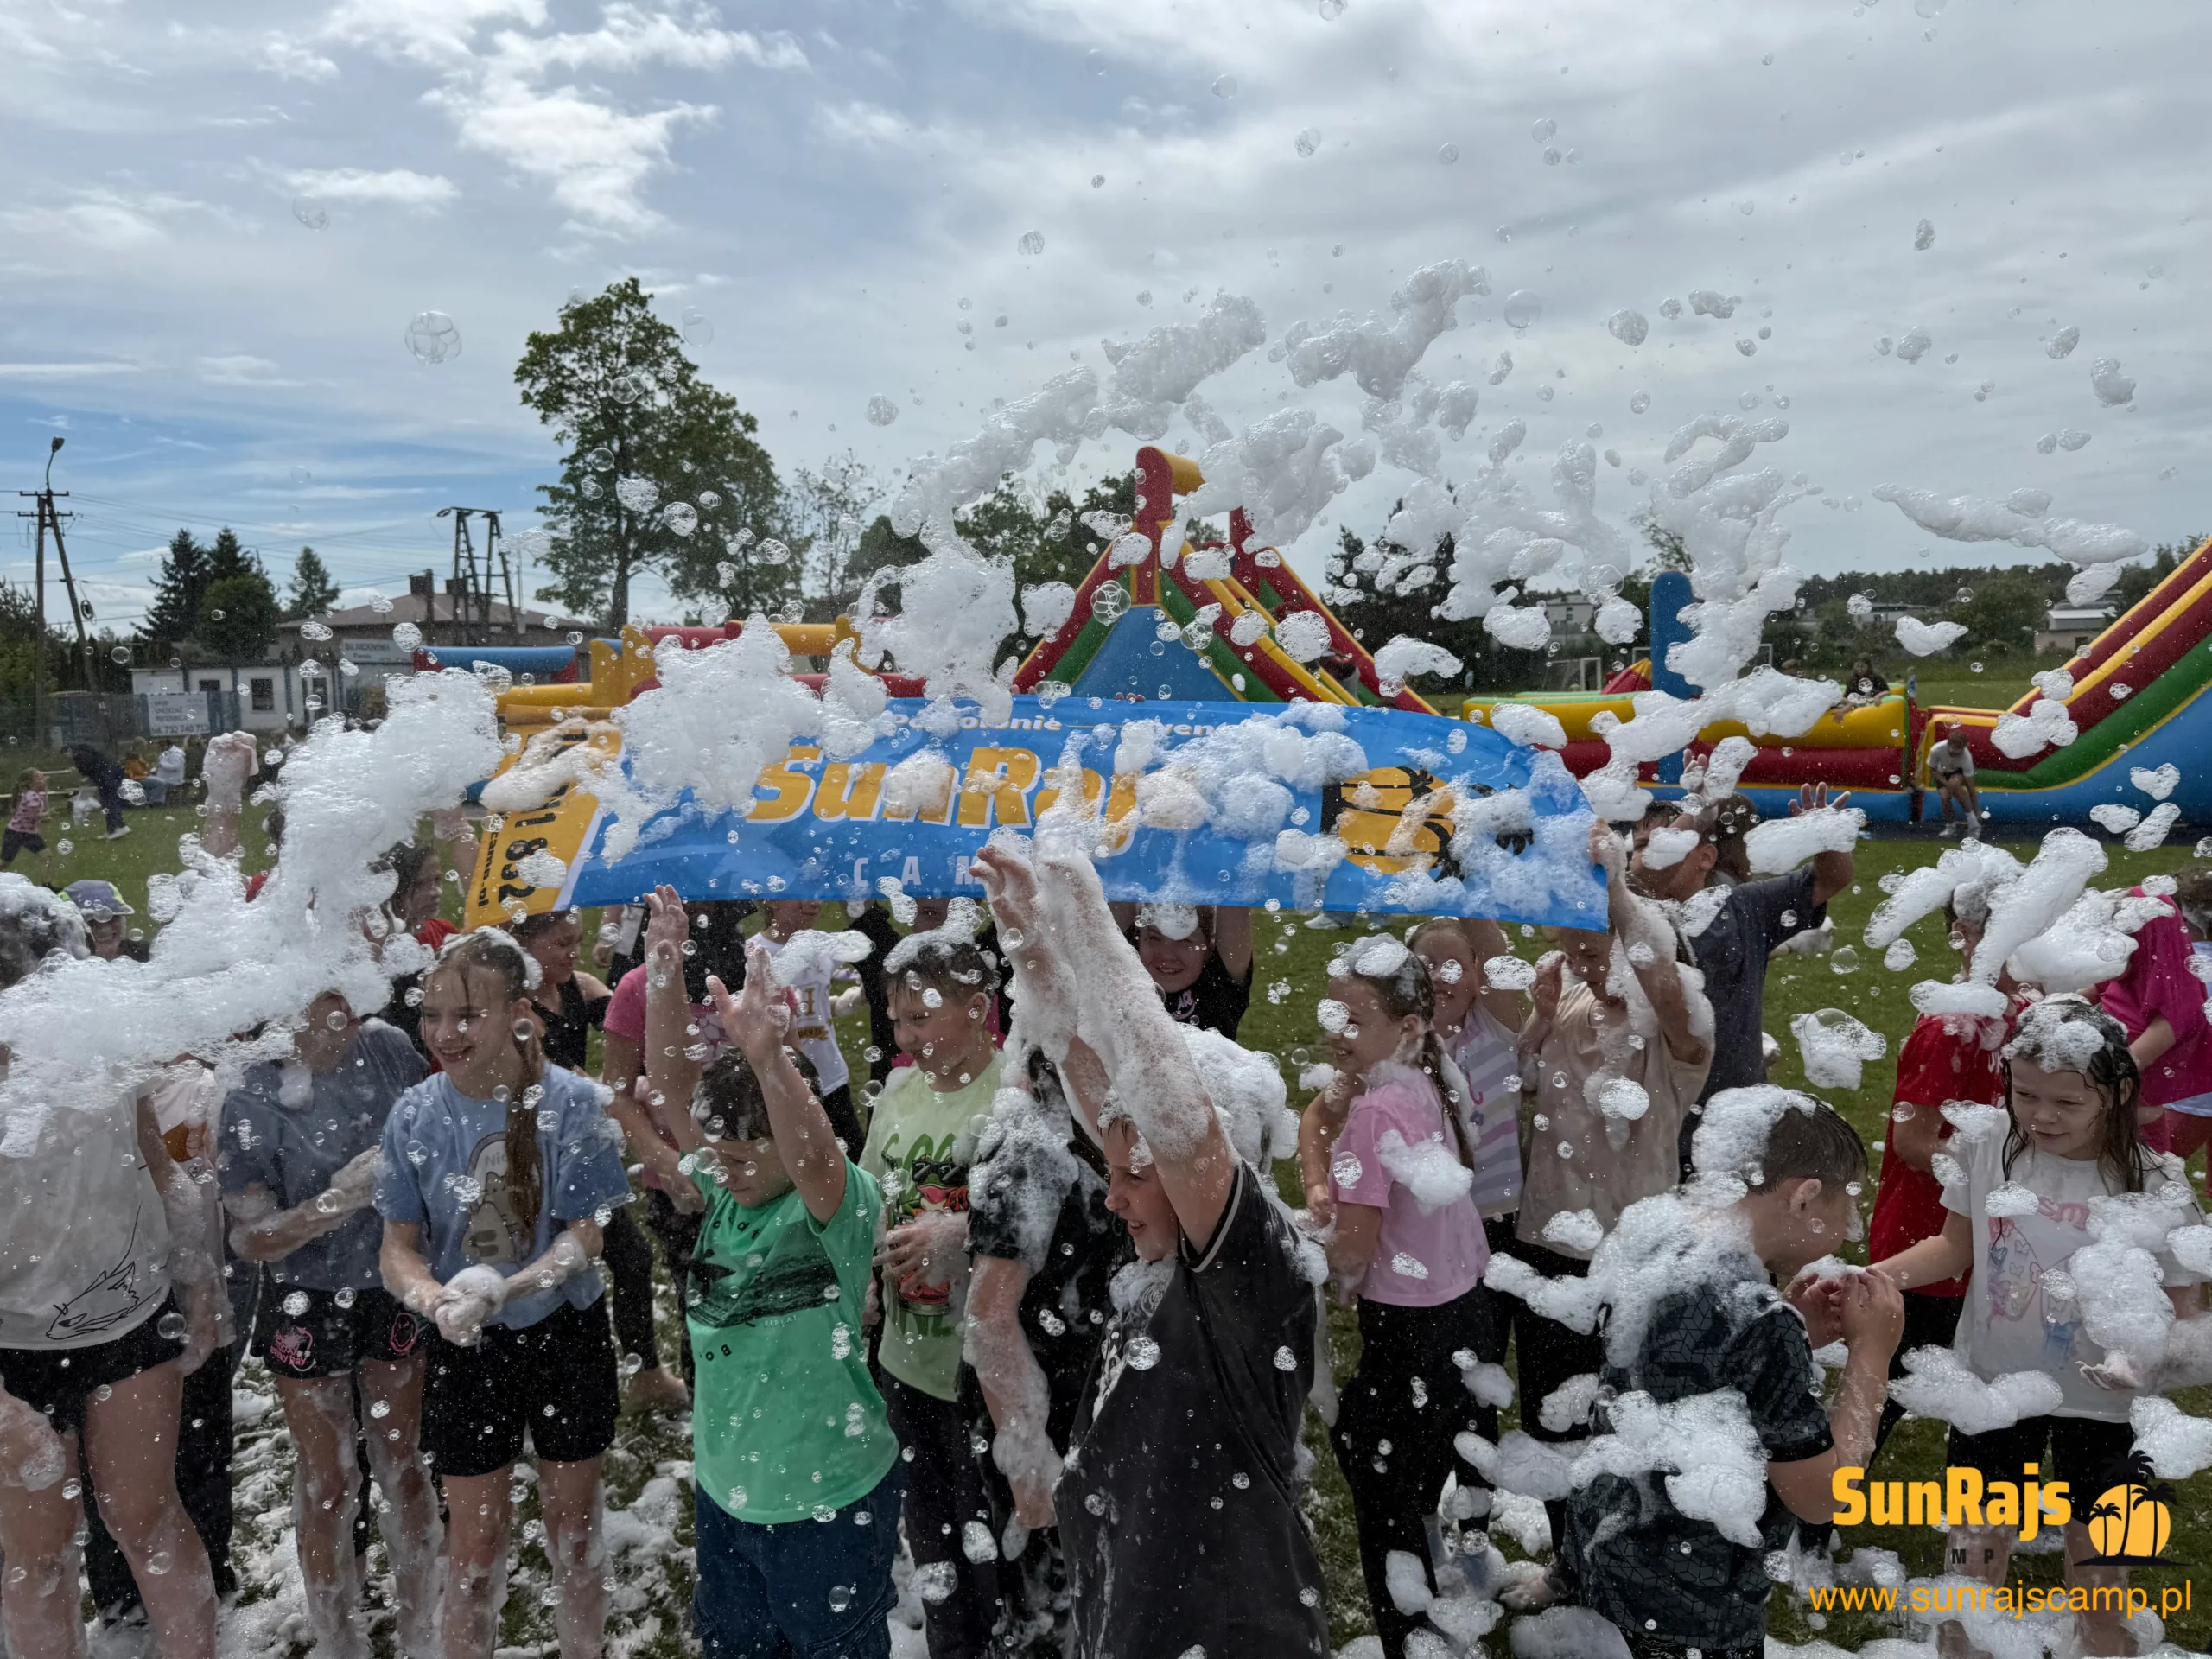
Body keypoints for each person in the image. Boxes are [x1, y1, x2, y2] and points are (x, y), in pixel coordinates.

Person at [977, 841, 1329, 1658]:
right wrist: (1032, 945)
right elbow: (1092, 1076)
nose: (1113, 1196)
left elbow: (1171, 1112)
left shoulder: (1253, 1277)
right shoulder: (1160, 1267)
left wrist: (1091, 921)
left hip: (1227, 1631)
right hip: (1134, 1611)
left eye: (1136, 1177)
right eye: (1113, 1172)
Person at [1873, 997, 2202, 1659]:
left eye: (2066, 1102)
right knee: (1971, 1568)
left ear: (2115, 1094)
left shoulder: (2154, 1185)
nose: (2041, 1115)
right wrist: (1872, 1277)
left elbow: (2185, 1318)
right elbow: (1953, 1248)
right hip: (1994, 1386)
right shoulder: (1987, 1143)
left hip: (2105, 1405)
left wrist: (2146, 1361)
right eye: (2025, 1094)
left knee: (2100, 1579)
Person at [633, 891, 906, 1658]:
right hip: (731, 1489)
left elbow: (814, 1154)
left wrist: (768, 1057)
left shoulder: (834, 1209)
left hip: (826, 1497)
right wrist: (664, 967)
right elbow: (675, 1087)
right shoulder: (728, 1187)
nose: (722, 1170)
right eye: (717, 1155)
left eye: (742, 1157)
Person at [1560, 1094, 1904, 1659]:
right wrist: (1872, 1353)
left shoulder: (1660, 1237)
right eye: (1846, 1210)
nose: (1849, 1231)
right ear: (1805, 1197)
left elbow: (1683, 1367)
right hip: (1695, 1602)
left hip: (1613, 1544)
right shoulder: (1760, 1323)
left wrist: (1793, 1326)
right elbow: (1823, 1498)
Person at [375, 930, 632, 1659]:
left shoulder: (571, 1102)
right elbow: (397, 1250)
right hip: (466, 1343)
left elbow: (587, 1236)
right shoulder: (414, 1114)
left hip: (564, 1330)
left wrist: (511, 1286)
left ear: (520, 1013)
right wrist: (436, 1301)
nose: (444, 1033)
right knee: (475, 1547)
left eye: (467, 1015)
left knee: (573, 1529)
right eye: (431, 1015)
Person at [0, 879, 223, 1659]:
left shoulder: (100, 1052)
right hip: (13, 1347)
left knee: (147, 1518)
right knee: (38, 1551)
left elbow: (157, 1165)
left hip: (129, 1312)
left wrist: (199, 1278)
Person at [219, 991, 439, 1659]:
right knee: (329, 1479)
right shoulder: (252, 1092)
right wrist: (338, 1201)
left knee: (402, 1461)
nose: (347, 1009)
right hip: (304, 1298)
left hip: (391, 1282)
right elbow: (251, 1240)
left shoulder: (389, 1048)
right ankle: (338, 1639)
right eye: (328, 997)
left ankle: (421, 1630)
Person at [1513, 821, 1714, 1545]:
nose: (1585, 967)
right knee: (1550, 1415)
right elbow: (1524, 1084)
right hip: (1547, 1241)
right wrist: (1538, 1021)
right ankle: (1568, 1560)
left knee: (1623, 1420)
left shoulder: (1676, 1034)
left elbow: (1660, 981)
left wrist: (1618, 889)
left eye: (1597, 953)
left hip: (1629, 1258)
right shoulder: (1572, 1002)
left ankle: (1622, 1557)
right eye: (1575, 954)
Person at [1309, 938, 1494, 1659]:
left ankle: (1411, 1638)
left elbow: (1352, 1252)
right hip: (1465, 1312)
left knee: (1382, 1496)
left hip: (1410, 1332)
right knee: (1422, 1468)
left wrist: (1309, 1255)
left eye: (1355, 1020)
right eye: (1335, 1015)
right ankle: (1443, 1593)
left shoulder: (1374, 1113)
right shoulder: (1424, 1085)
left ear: (1409, 1026)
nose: (1338, 1032)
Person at [861, 926, 1003, 1658]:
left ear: (978, 1007)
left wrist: (957, 1232)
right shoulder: (898, 1092)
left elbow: (1047, 1219)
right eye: (897, 1020)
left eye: (921, 1017)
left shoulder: (1011, 1096)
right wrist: (867, 1278)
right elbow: (873, 1192)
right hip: (904, 1354)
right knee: (931, 1533)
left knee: (990, 1536)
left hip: (979, 1367)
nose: (906, 1036)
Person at [957, 1048, 1128, 1657]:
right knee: (1045, 1615)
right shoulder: (1029, 1151)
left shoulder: (1099, 1134)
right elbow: (988, 1316)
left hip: (1088, 1402)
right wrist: (1028, 1462)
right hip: (1039, 1420)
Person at [1864, 888, 2017, 1460]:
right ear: (1965, 935)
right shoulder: (1951, 1028)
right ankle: (1816, 1498)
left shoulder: (2022, 1012)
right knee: (1891, 1381)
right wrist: (1996, 1186)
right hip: (1925, 1232)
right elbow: (1912, 1143)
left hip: (1985, 1234)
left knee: (1980, 1378)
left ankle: (1981, 1497)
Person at [1630, 784, 1854, 1172]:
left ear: (1706, 857)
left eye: (1668, 844)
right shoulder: (1628, 916)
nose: (1649, 855)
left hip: (1735, 1115)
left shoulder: (1744, 906)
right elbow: (1642, 877)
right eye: (1640, 846)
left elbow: (1830, 879)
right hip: (1650, 1119)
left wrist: (1827, 838)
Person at [599, 896, 763, 1407]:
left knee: (765, 1306)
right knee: (703, 1311)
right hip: (681, 1185)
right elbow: (616, 1091)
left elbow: (789, 1074)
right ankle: (711, 1418)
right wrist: (661, 1158)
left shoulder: (757, 978)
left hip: (761, 1177)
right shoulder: (638, 987)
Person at [2099, 867, 2212, 1159]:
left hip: (2159, 1114)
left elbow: (2123, 1068)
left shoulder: (2177, 993)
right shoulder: (2143, 974)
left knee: (2152, 1172)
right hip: (2172, 1102)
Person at [755, 897, 866, 1157]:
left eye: (816, 895)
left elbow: (818, 1005)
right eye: (801, 895)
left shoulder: (821, 945)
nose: (814, 904)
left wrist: (854, 998)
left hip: (831, 1077)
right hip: (784, 1087)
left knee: (854, 1162)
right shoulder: (754, 954)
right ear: (772, 899)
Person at [1123, 901, 1254, 1037]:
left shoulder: (1217, 988)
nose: (1167, 955)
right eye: (1154, 938)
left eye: (1185, 940)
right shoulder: (1122, 972)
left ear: (1208, 948)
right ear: (1138, 942)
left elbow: (1233, 894)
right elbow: (1118, 891)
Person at [66, 879, 149, 963]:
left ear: (123, 919)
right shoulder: (62, 962)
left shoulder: (148, 955)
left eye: (113, 917)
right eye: (91, 922)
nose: (104, 929)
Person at [67, 742, 130, 839]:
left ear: (69, 750)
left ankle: (120, 827)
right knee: (108, 802)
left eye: (66, 754)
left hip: (107, 777)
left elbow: (90, 768)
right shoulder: (86, 752)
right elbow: (93, 767)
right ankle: (112, 830)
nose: (67, 757)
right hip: (110, 774)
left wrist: (83, 773)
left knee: (109, 802)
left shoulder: (79, 755)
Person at [1929, 722, 1980, 838]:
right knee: (1945, 798)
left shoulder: (1966, 757)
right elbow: (1932, 770)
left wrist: (1977, 809)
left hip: (1956, 773)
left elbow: (1971, 787)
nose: (1956, 753)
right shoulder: (1936, 749)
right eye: (1954, 749)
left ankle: (1974, 825)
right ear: (1948, 744)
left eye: (1960, 750)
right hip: (1941, 774)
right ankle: (1950, 826)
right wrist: (1946, 784)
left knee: (1955, 783)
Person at [1, 770, 45, 869]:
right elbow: (34, 816)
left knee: (46, 857)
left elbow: (31, 817)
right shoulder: (32, 796)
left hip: (26, 832)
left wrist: (45, 817)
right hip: (16, 833)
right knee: (3, 863)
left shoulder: (33, 794)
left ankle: (47, 880)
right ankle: (47, 879)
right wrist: (48, 814)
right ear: (31, 783)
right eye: (40, 778)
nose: (44, 780)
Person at [151, 741, 187, 807]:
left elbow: (176, 766)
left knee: (154, 784)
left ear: (168, 745)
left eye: (162, 746)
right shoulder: (166, 752)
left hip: (173, 780)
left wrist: (161, 764)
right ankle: (155, 801)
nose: (161, 748)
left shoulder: (176, 754)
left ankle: (157, 803)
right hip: (165, 778)